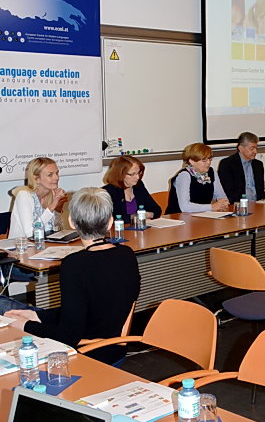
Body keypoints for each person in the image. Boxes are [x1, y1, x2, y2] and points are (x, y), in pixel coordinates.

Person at [4, 188, 140, 364]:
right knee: (20, 309)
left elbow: (68, 336)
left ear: (72, 223)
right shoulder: (127, 254)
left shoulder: (74, 264)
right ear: (110, 222)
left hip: (87, 355)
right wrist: (38, 317)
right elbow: (95, 308)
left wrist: (25, 326)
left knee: (4, 308)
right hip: (115, 350)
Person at [9, 157, 66, 238]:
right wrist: (51, 207)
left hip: (44, 244)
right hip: (22, 245)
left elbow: (55, 228)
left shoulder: (51, 195)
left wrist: (58, 209)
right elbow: (30, 233)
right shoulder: (24, 195)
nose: (56, 177)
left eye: (57, 173)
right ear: (37, 179)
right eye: (50, 175)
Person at [166, 143, 229, 214]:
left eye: (210, 159)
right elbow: (185, 207)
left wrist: (223, 203)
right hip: (178, 216)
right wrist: (211, 207)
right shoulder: (184, 175)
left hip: (203, 215)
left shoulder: (212, 172)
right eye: (204, 160)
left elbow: (221, 196)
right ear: (192, 161)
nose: (209, 162)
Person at [103, 155, 161, 223]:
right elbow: (110, 218)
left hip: (140, 228)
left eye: (138, 173)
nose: (137, 177)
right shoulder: (109, 191)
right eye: (132, 174)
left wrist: (148, 215)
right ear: (120, 174)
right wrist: (134, 217)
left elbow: (157, 210)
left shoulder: (138, 186)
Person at [217, 131, 265, 204]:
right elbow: (228, 192)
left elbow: (261, 191)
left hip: (258, 204)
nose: (255, 151)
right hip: (238, 206)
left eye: (256, 148)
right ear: (241, 148)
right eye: (251, 148)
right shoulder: (227, 164)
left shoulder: (258, 165)